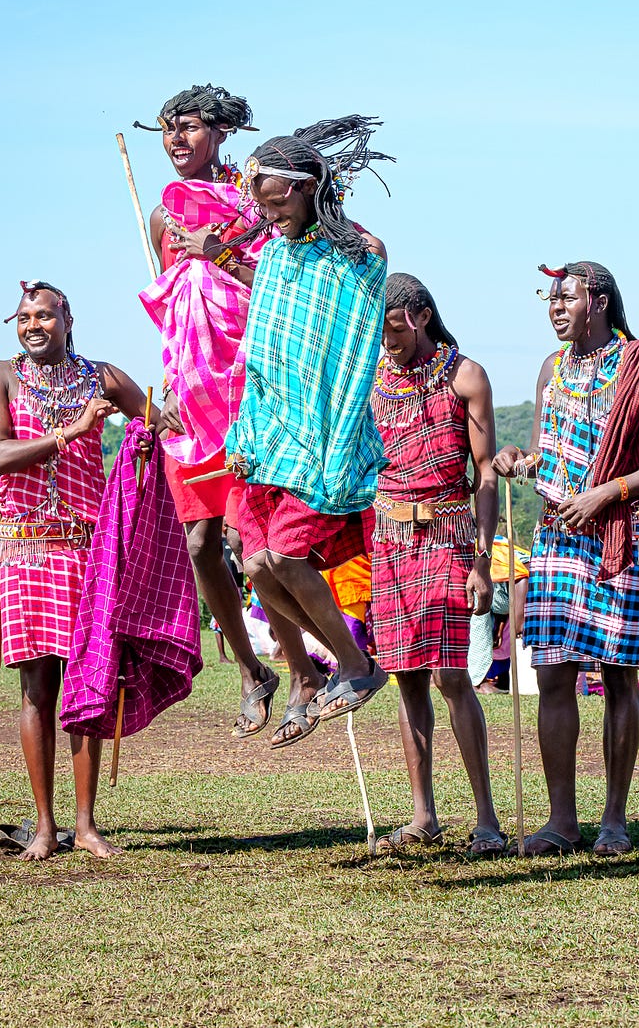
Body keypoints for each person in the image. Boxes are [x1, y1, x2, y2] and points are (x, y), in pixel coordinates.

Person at [491, 262, 639, 856]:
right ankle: (561, 822)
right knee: (553, 674)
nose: (555, 308)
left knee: (619, 675)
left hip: (619, 533)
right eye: (551, 299)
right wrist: (518, 460)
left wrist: (611, 491)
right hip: (557, 535)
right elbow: (547, 449)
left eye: (567, 298)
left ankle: (614, 820)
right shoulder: (553, 369)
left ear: (597, 301)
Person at [224, 118, 396, 747]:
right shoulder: (272, 255)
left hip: (323, 437)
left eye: (281, 203)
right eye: (262, 206)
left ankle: (354, 666)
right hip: (267, 436)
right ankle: (339, 666)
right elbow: (266, 347)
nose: (272, 217)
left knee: (291, 555)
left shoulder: (357, 254)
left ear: (310, 190)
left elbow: (355, 328)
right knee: (258, 564)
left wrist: (331, 212)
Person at [0, 281, 155, 860]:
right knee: (37, 689)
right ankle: (46, 826)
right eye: (25, 317)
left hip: (86, 551)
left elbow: (159, 421)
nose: (34, 326)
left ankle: (85, 825)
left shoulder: (100, 376)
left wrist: (147, 437)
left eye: (45, 316)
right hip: (25, 550)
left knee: (88, 684)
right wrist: (70, 433)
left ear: (68, 318)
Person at [134, 84, 286, 736]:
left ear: (221, 133)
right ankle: (254, 670)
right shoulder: (162, 218)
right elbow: (174, 307)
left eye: (190, 127)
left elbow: (281, 290)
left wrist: (220, 250)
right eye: (168, 129)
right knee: (200, 543)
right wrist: (164, 388)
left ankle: (314, 667)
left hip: (252, 389)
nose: (176, 140)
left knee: (263, 543)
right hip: (189, 397)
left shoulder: (256, 203)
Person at [370, 273, 505, 855]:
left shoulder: (466, 376)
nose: (386, 339)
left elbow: (486, 472)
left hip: (450, 533)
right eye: (378, 330)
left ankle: (487, 819)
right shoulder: (368, 378)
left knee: (453, 676)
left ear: (422, 316)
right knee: (406, 679)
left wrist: (483, 559)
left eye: (395, 327)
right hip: (389, 538)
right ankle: (424, 814)